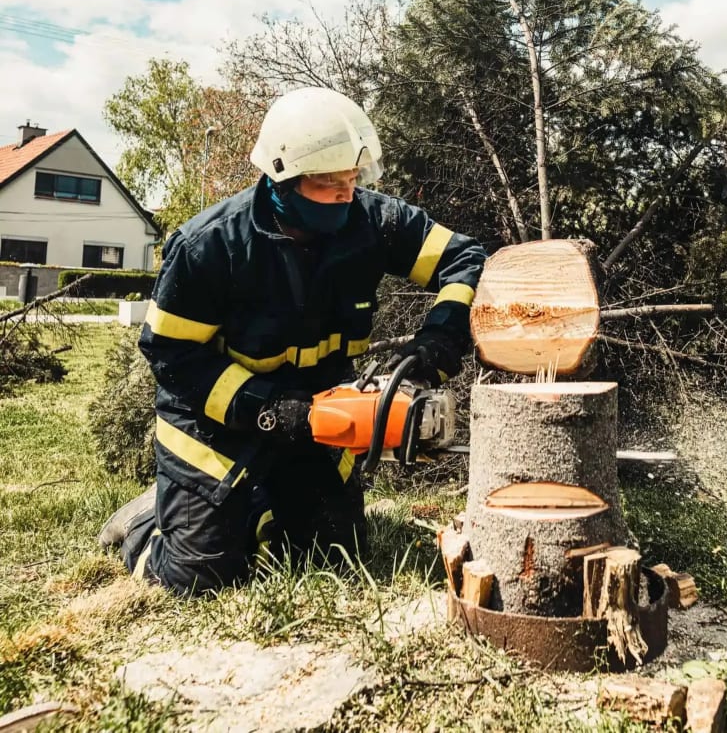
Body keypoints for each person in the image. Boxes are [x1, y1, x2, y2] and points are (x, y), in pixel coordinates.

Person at [98, 87, 488, 595]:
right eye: (330, 185)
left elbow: (465, 259)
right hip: (214, 424)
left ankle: (259, 506)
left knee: (334, 556)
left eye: (353, 179)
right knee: (199, 579)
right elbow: (173, 356)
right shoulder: (209, 247)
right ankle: (147, 523)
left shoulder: (375, 223)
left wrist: (439, 341)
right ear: (283, 179)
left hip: (317, 414)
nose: (347, 195)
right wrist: (269, 409)